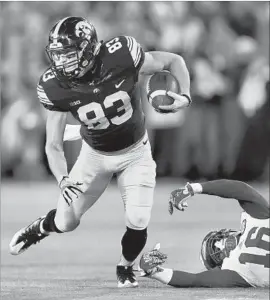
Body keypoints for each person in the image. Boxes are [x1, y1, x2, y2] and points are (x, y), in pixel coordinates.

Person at [9, 16, 191, 288]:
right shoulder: (54, 85)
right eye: (58, 56)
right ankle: (42, 227)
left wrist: (185, 95)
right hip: (93, 154)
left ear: (88, 49)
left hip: (135, 153)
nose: (61, 63)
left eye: (68, 55)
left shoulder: (121, 55)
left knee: (138, 218)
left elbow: (173, 61)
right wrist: (62, 178)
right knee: (67, 222)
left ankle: (125, 266)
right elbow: (53, 144)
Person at [139, 179, 269, 287]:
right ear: (220, 264)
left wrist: (154, 272)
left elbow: (194, 280)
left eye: (215, 243)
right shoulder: (237, 271)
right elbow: (242, 190)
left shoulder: (238, 273)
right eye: (215, 251)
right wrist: (193, 189)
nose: (220, 244)